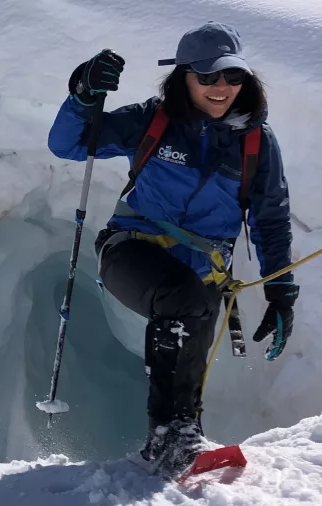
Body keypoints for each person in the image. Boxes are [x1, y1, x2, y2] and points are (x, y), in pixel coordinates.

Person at [46, 21, 299, 475]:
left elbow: (271, 218)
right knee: (185, 301)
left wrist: (282, 293)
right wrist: (83, 94)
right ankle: (172, 437)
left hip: (202, 275)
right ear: (183, 77)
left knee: (192, 333)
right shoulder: (153, 120)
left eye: (232, 76)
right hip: (130, 252)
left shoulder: (256, 142)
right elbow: (69, 144)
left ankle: (178, 448)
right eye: (207, 77)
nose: (221, 87)